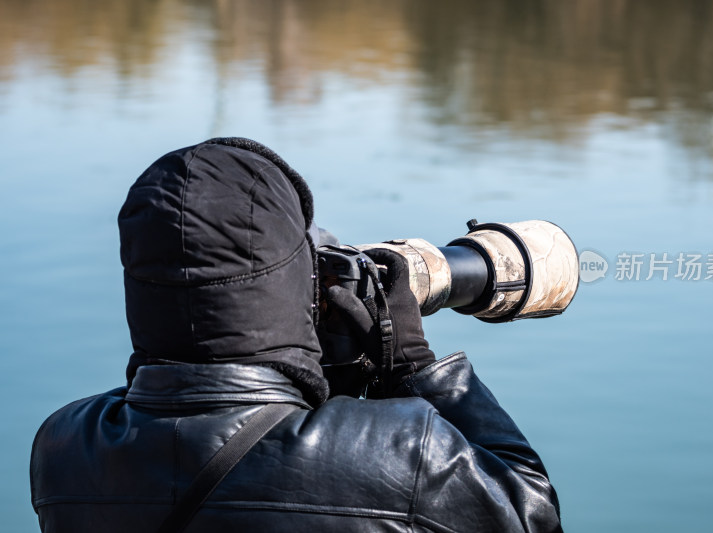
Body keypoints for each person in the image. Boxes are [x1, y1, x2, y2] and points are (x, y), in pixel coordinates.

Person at [30, 138, 563, 532]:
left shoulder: (63, 448)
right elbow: (531, 513)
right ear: (290, 286)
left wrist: (306, 372)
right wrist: (411, 365)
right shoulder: (404, 449)